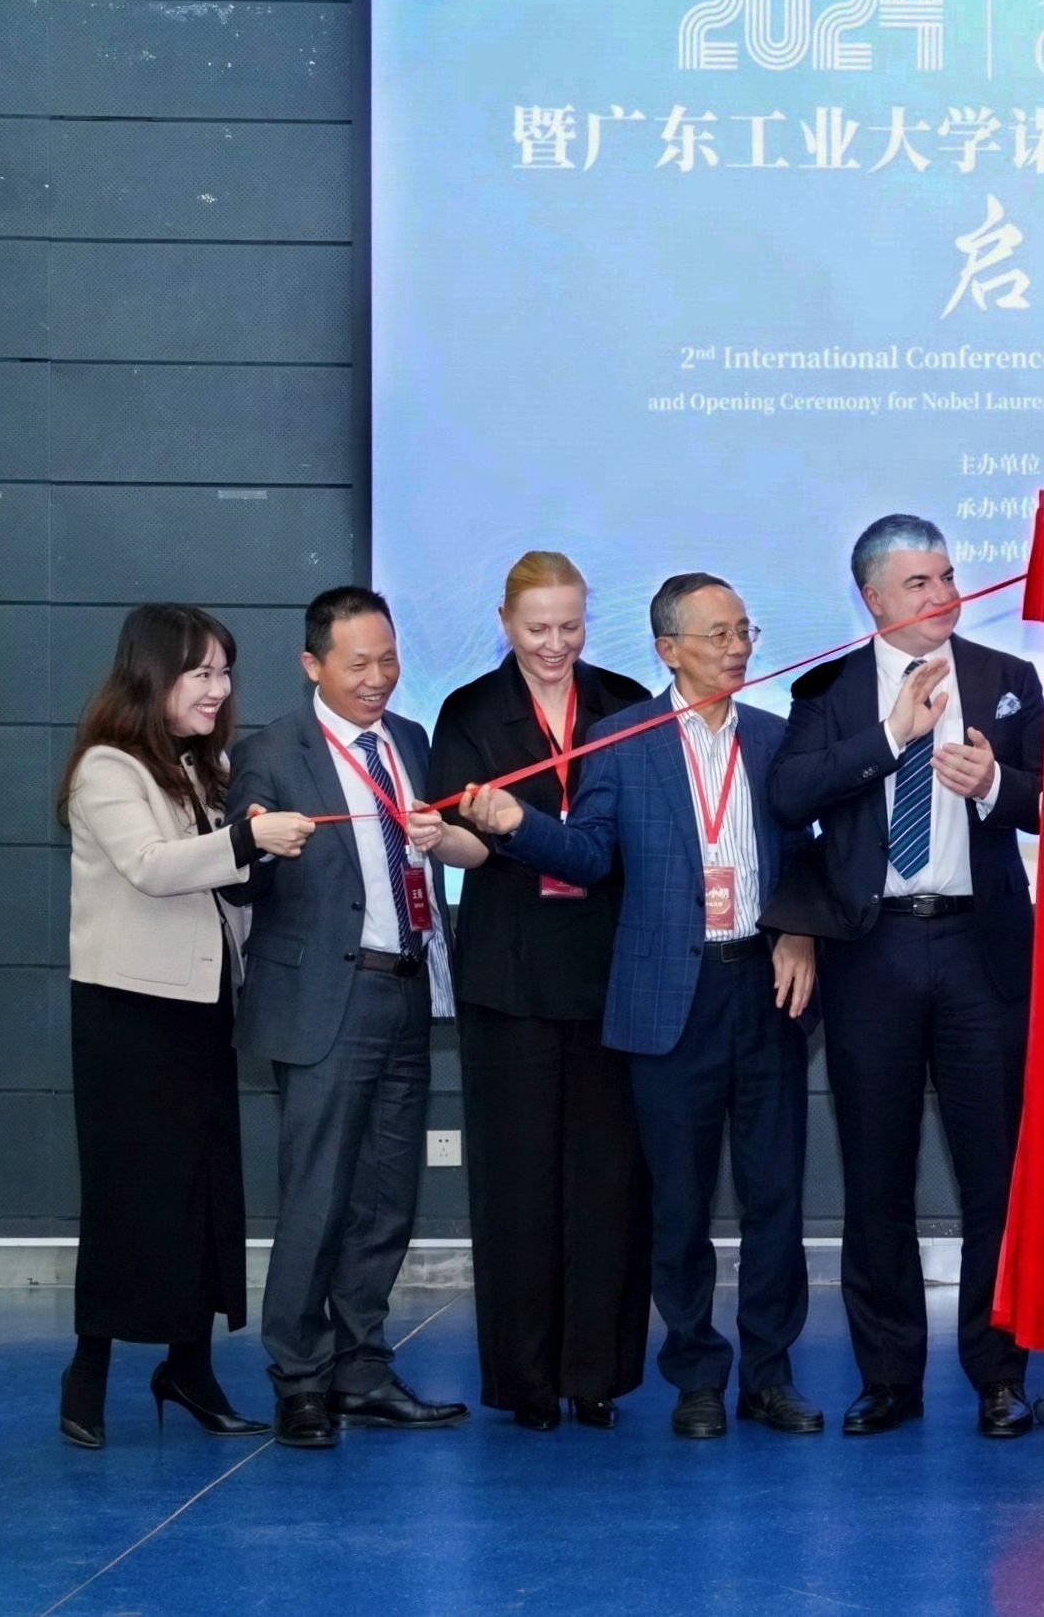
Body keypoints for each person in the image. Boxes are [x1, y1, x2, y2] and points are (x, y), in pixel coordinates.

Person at [464, 573, 824, 1439]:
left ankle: (769, 1376)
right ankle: (696, 1374)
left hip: (764, 990)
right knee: (679, 1204)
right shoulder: (621, 741)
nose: (737, 647)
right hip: (669, 999)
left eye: (744, 630)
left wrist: (800, 931)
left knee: (775, 1197)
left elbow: (809, 852)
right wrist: (517, 825)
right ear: (668, 650)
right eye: (717, 633)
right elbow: (589, 855)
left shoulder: (776, 738)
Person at [768, 516, 1044, 1439]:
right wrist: (892, 737)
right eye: (920, 582)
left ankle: (999, 1374)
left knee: (993, 1176)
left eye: (949, 576)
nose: (944, 595)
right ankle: (888, 1376)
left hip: (980, 950)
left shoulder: (1007, 678)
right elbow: (790, 796)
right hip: (872, 952)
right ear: (873, 599)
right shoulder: (830, 690)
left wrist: (994, 785)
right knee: (875, 1173)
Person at [226, 586, 487, 1448]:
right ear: (313, 665)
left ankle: (362, 1368)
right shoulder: (269, 751)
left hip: (408, 988)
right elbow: (241, 874)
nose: (378, 677)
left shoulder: (409, 740)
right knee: (318, 1196)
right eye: (358, 663)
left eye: (389, 659)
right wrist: (258, 841)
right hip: (325, 1002)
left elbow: (435, 849)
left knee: (384, 1196)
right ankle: (299, 1379)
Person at [57, 604, 320, 1449]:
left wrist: (263, 847)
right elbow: (150, 865)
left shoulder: (208, 767)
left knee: (203, 1189)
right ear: (152, 676)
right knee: (128, 1192)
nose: (218, 688)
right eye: (200, 672)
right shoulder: (107, 767)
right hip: (128, 1012)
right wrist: (248, 838)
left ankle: (189, 1365)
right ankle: (88, 1369)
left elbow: (227, 880)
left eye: (224, 671)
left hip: (203, 1004)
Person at [429, 551, 656, 1432]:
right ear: (503, 621)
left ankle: (596, 1373)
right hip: (511, 972)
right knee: (516, 1183)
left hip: (608, 968)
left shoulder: (625, 703)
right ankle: (525, 1380)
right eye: (537, 628)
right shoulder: (468, 711)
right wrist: (462, 833)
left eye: (570, 626)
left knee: (609, 1183)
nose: (555, 643)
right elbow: (460, 842)